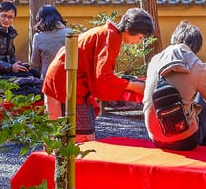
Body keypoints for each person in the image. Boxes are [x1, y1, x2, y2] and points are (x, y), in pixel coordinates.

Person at [43, 8, 154, 138]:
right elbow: (103, 77)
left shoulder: (108, 33)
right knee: (77, 137)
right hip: (64, 84)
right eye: (140, 37)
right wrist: (132, 86)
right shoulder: (111, 36)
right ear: (131, 30)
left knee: (75, 133)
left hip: (67, 80)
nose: (139, 42)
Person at [143, 20, 206, 150]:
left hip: (154, 137)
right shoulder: (197, 66)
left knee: (200, 97)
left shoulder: (155, 60)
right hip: (184, 140)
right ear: (197, 46)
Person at [0, 1, 42, 94]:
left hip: (4, 70)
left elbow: (10, 55)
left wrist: (17, 64)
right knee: (31, 82)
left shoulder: (9, 31)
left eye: (10, 17)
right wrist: (10, 67)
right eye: (4, 16)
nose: (6, 20)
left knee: (34, 73)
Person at [30, 5, 71, 79]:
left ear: (40, 20)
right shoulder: (69, 33)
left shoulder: (38, 37)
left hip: (48, 77)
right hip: (68, 76)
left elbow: (35, 63)